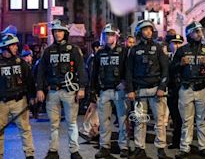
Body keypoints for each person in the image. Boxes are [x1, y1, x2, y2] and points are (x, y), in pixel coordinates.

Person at [36, 19, 88, 159]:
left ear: (65, 33)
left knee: (71, 123)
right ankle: (53, 151)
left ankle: (74, 151)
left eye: (60, 31)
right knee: (54, 124)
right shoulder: (47, 51)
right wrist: (39, 89)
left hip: (70, 92)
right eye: (55, 31)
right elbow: (41, 72)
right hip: (52, 92)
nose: (58, 33)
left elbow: (81, 69)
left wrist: (82, 87)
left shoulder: (74, 50)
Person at [172, 21, 205, 159]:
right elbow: (171, 69)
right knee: (187, 120)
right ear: (189, 33)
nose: (200, 34)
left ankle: (203, 146)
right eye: (196, 31)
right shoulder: (182, 50)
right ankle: (185, 147)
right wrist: (180, 63)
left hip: (202, 88)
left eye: (201, 31)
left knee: (202, 120)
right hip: (186, 88)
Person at [126, 20, 169, 159]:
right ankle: (140, 148)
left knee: (160, 121)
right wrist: (131, 90)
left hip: (156, 90)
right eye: (145, 29)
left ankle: (161, 149)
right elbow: (129, 71)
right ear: (140, 32)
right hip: (139, 91)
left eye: (150, 29)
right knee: (139, 122)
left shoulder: (158, 48)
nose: (148, 32)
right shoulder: (133, 50)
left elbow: (165, 70)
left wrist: (162, 87)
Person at [90, 24, 129, 158]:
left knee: (123, 119)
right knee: (104, 120)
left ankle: (124, 146)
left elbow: (128, 70)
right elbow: (94, 73)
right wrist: (93, 90)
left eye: (111, 34)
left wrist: (125, 83)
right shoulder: (100, 53)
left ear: (116, 37)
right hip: (104, 90)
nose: (108, 37)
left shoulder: (124, 51)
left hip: (119, 90)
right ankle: (104, 146)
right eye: (106, 34)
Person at [0, 30, 35, 159]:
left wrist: (31, 97)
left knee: (25, 129)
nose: (16, 47)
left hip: (20, 101)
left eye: (16, 45)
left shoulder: (21, 63)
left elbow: (29, 80)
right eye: (13, 45)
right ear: (6, 47)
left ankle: (29, 155)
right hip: (1, 102)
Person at [165, 34, 184, 149]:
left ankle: (182, 141)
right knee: (175, 117)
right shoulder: (166, 57)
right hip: (171, 91)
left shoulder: (185, 57)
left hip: (182, 89)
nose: (176, 46)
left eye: (179, 43)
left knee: (183, 117)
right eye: (174, 43)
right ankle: (176, 140)